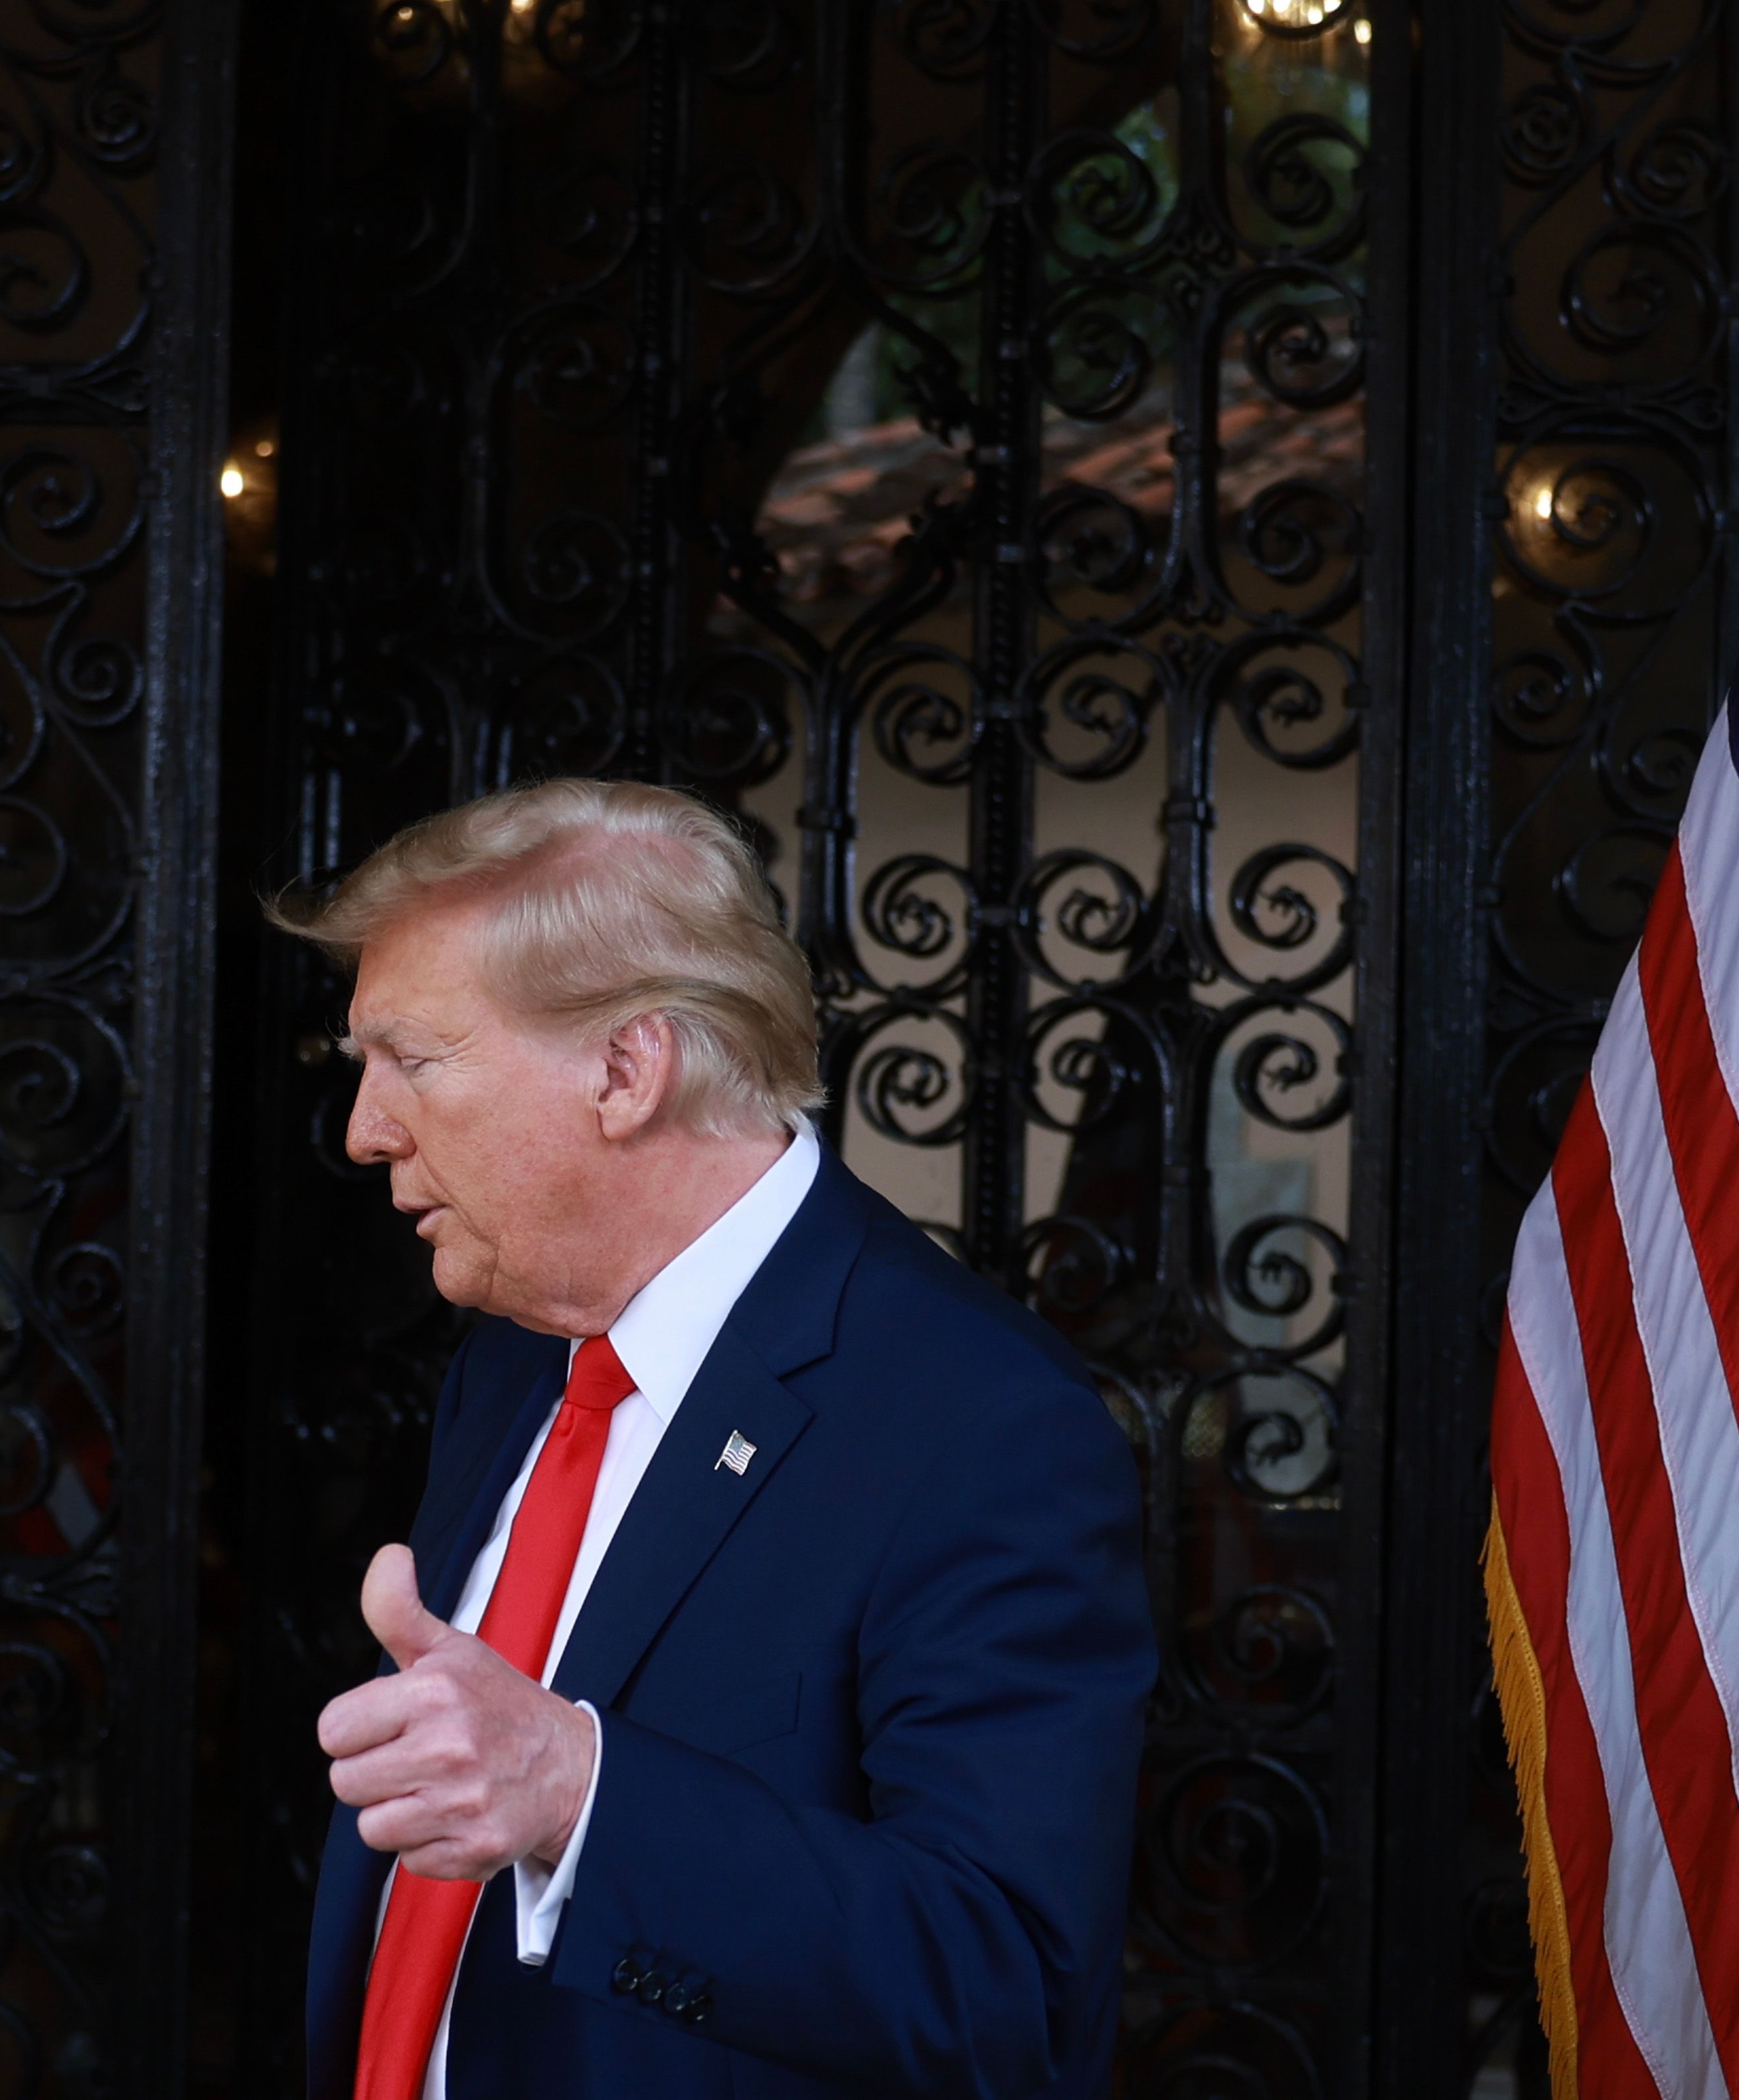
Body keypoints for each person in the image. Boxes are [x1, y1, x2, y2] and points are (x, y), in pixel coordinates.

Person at [284, 779, 1155, 2100]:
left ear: (626, 1071)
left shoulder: (982, 1420)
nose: (365, 1129)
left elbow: (1009, 1993)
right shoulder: (512, 1355)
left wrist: (582, 1797)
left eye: (415, 1059)